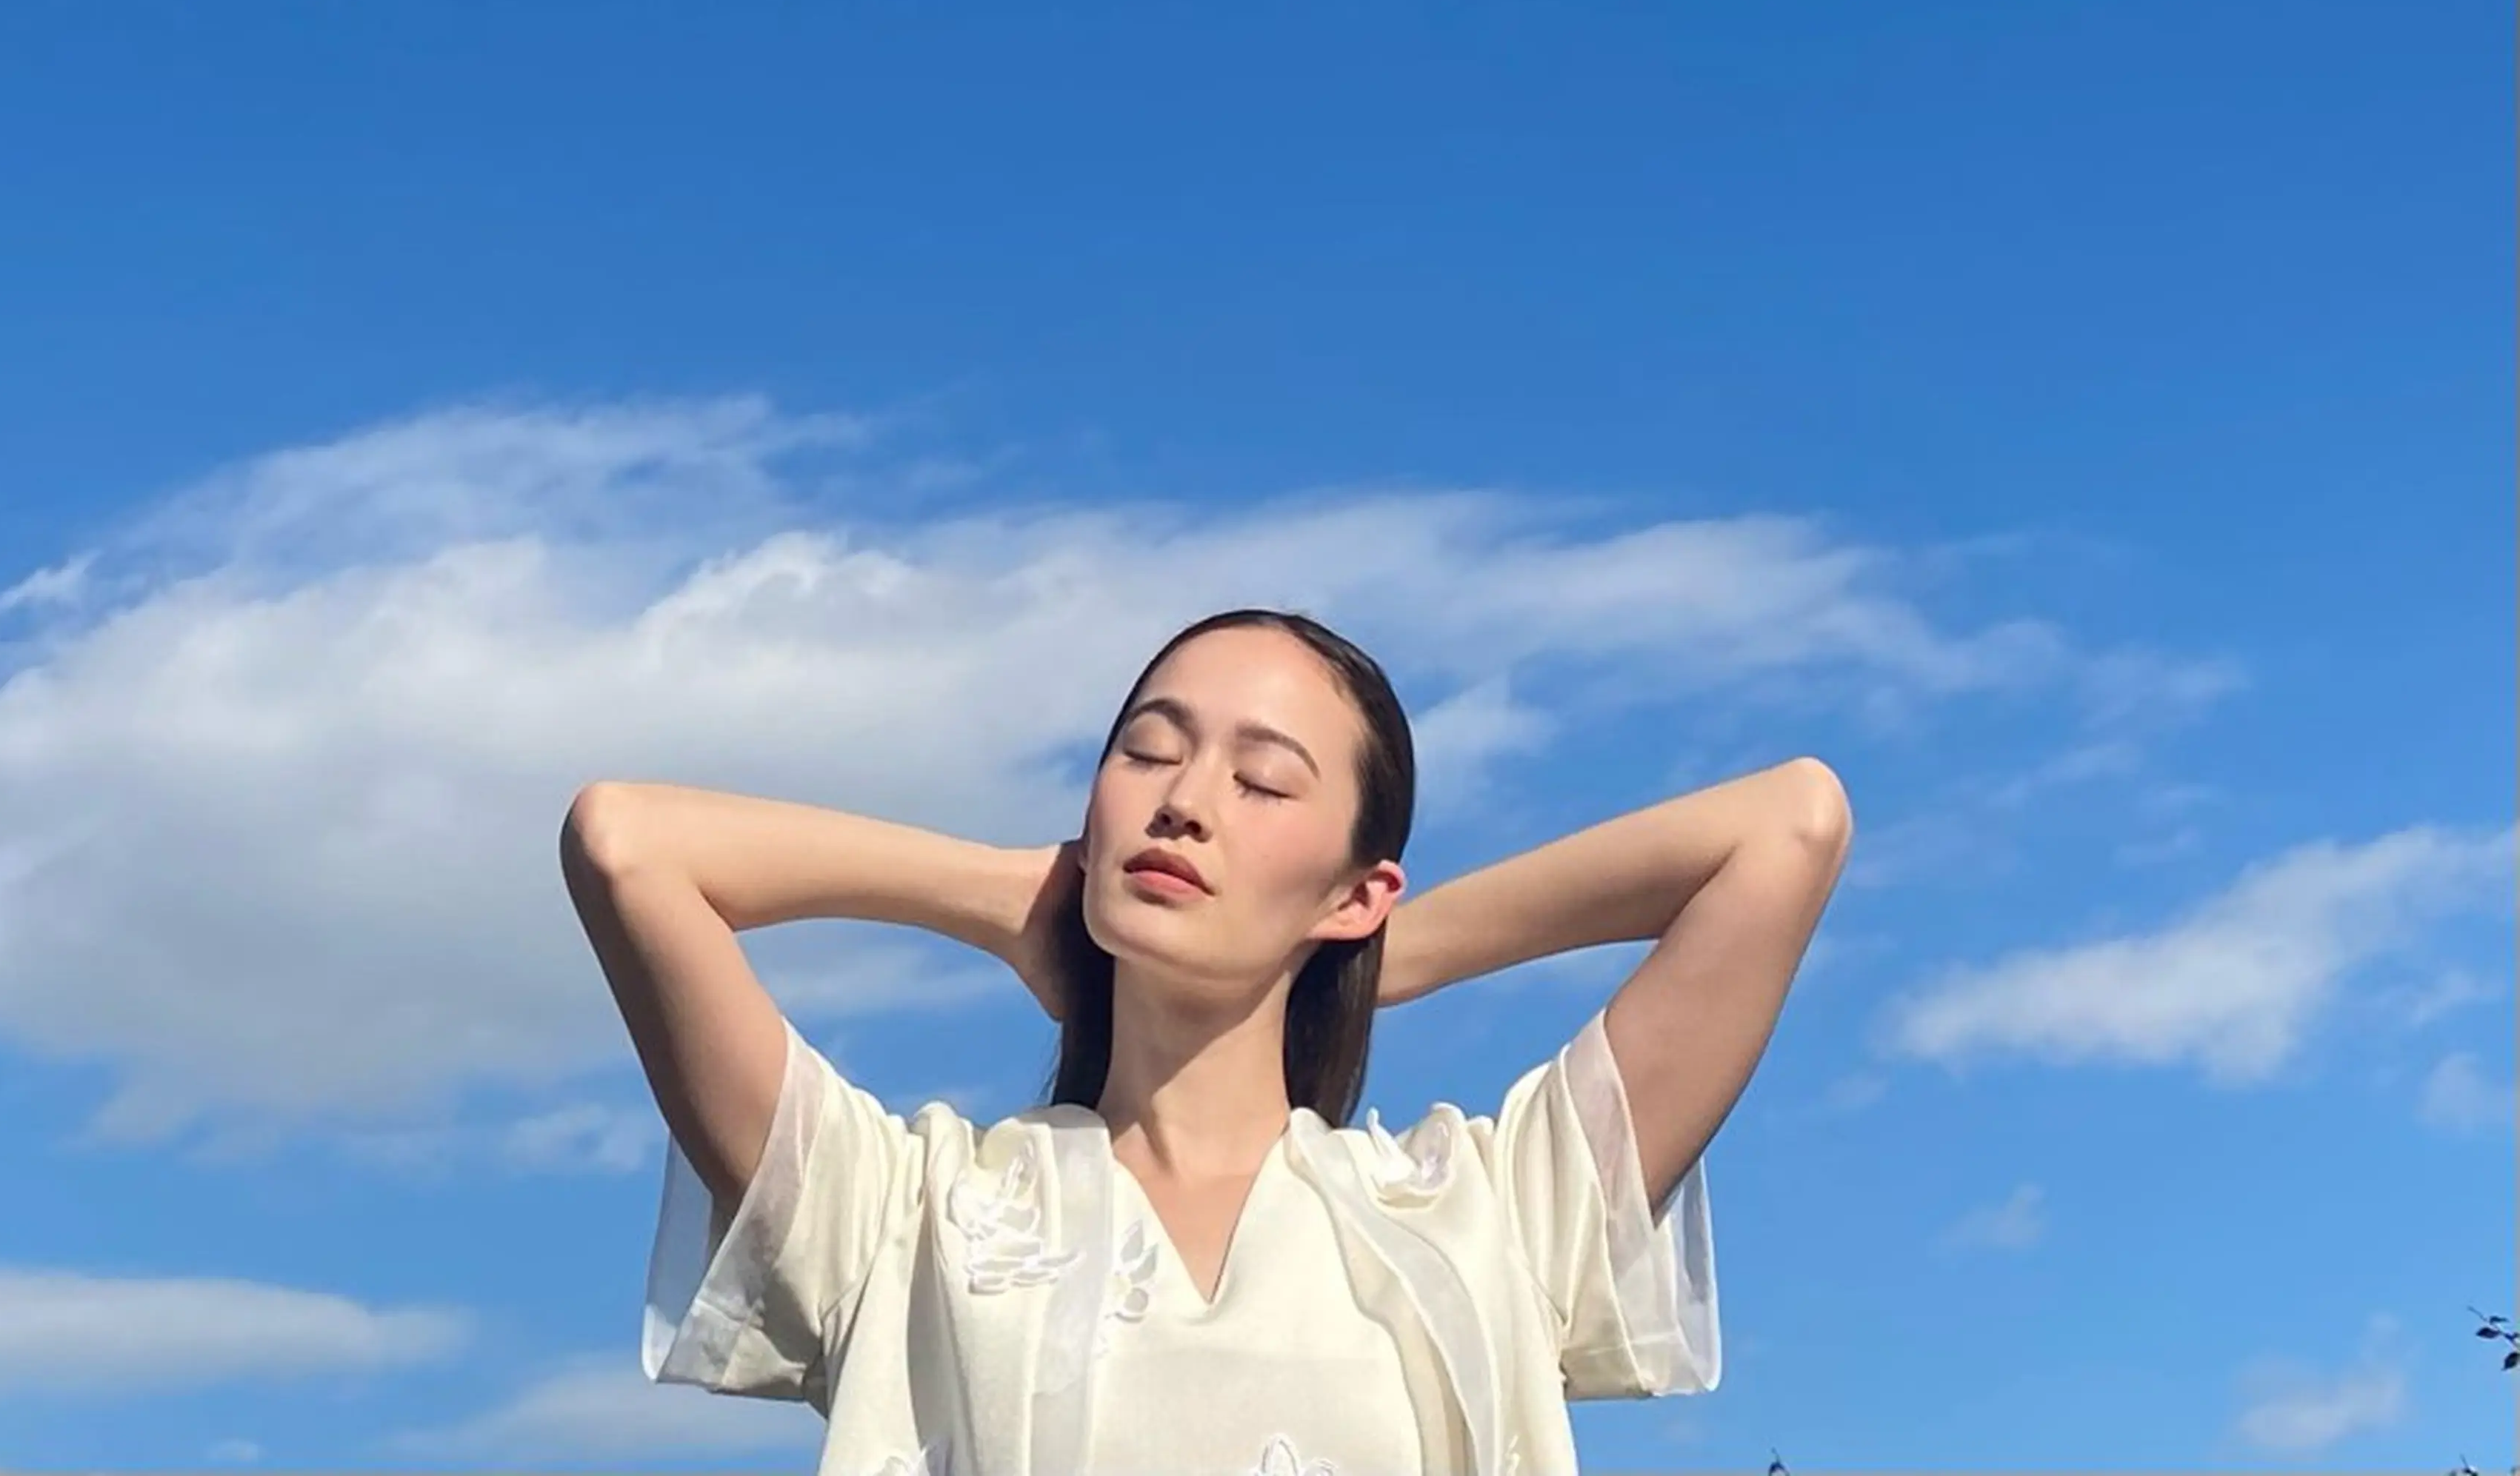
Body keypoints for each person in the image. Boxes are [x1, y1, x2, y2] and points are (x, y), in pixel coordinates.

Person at [561, 604, 1853, 1475]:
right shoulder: (905, 1212)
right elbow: (630, 846)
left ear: (1360, 886)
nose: (1182, 802)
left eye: (1263, 780)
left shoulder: (1485, 1216)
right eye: (1148, 752)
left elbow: (1788, 827)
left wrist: (1369, 951)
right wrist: (1014, 900)